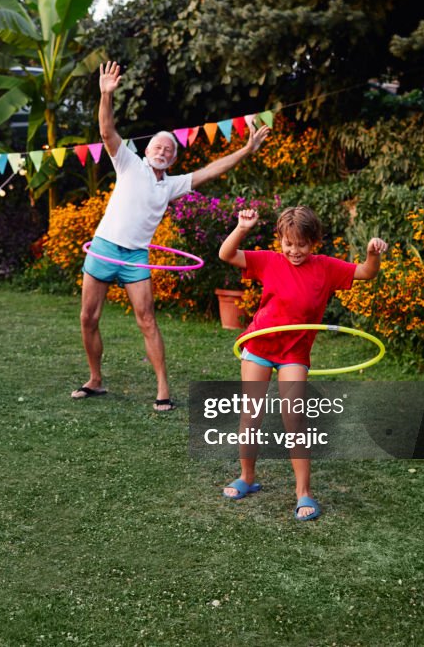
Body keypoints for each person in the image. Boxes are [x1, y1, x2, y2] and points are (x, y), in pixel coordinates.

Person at [73, 61, 272, 411]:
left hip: (135, 255)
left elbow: (212, 169)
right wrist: (105, 95)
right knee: (88, 318)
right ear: (146, 150)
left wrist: (247, 150)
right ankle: (95, 379)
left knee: (147, 320)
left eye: (169, 149)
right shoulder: (129, 163)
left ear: (174, 157)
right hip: (103, 247)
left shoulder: (174, 184)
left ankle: (163, 389)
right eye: (157, 147)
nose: (162, 151)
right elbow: (107, 131)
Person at [217, 206, 387, 520]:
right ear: (280, 240)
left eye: (302, 244)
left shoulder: (326, 268)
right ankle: (247, 478)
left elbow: (366, 272)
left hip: (294, 352)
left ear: (314, 242)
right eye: (289, 244)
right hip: (259, 344)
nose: (295, 251)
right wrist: (242, 228)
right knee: (250, 414)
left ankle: (304, 492)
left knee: (294, 418)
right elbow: (226, 254)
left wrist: (372, 253)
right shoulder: (269, 260)